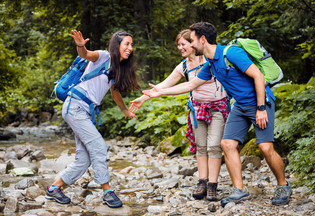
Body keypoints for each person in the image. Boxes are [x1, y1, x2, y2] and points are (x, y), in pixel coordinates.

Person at [143, 22, 292, 207]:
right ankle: (239, 190)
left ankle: (283, 185)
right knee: (227, 144)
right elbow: (190, 85)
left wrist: (261, 108)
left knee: (265, 148)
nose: (190, 44)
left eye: (192, 40)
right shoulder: (211, 64)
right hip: (240, 106)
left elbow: (258, 77)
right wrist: (160, 92)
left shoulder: (230, 54)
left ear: (203, 40)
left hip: (260, 103)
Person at [129, 29, 228, 201]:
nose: (180, 48)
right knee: (201, 146)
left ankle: (213, 185)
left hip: (217, 107)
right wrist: (143, 98)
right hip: (196, 110)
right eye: (178, 45)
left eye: (183, 44)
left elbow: (187, 86)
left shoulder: (209, 60)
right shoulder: (182, 66)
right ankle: (202, 182)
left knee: (213, 146)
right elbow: (163, 85)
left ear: (193, 43)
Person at [45, 30, 140, 208]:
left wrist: (126, 111)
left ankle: (54, 189)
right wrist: (81, 45)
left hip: (83, 111)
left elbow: (115, 92)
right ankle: (107, 191)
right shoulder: (103, 56)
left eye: (131, 45)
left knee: (84, 159)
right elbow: (86, 54)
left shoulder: (115, 68)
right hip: (75, 106)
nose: (130, 48)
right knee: (98, 146)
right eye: (127, 44)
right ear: (117, 45)